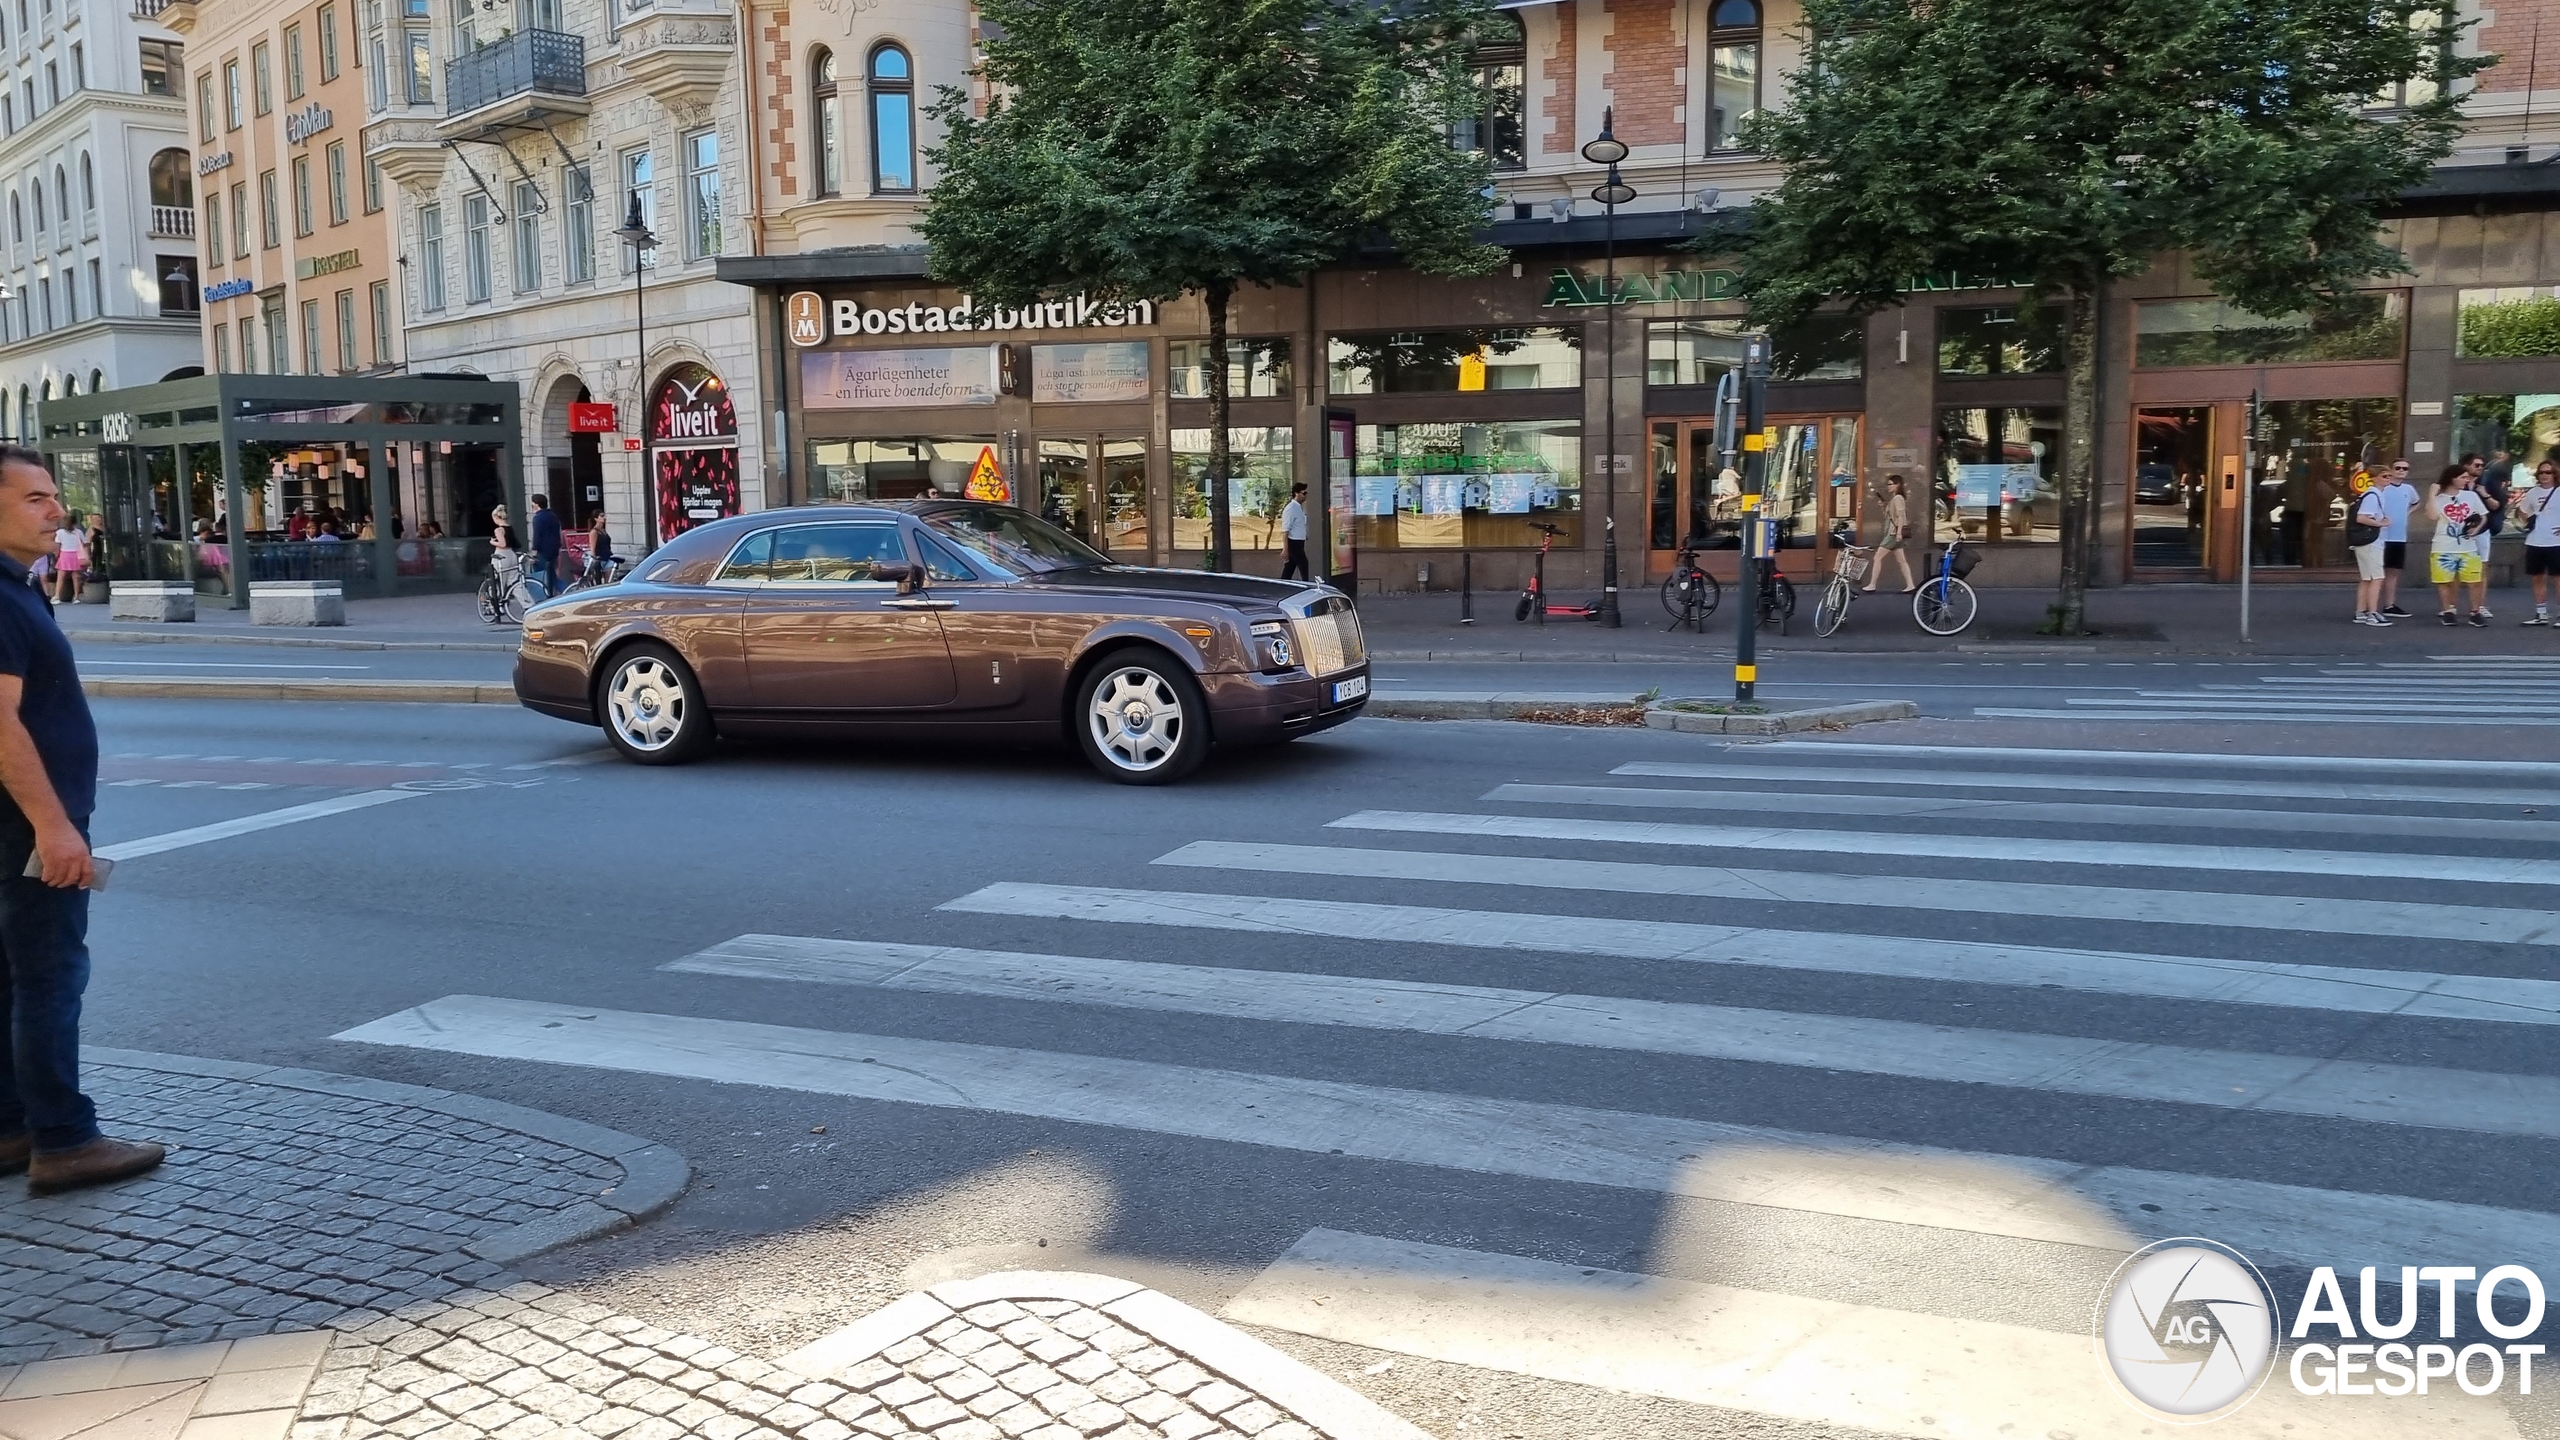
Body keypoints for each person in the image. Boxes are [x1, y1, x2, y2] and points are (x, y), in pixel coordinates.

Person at [0, 448, 161, 1195]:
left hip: (15, 823)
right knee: (50, 978)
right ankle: (64, 1139)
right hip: (25, 826)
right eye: (36, 498)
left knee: (11, 977)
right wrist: (54, 826)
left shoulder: (16, 587)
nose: (56, 510)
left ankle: (12, 1127)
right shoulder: (1, 598)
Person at [2429, 464, 2493, 627]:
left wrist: (2476, 529)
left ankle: (2475, 611)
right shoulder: (2439, 498)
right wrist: (2431, 494)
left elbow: (2484, 516)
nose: (2466, 480)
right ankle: (2448, 610)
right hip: (2443, 545)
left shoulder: (2470, 496)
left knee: (2474, 580)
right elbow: (2431, 515)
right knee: (2444, 581)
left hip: (2468, 545)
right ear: (2453, 478)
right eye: (2463, 477)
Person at [2374, 459, 2420, 616]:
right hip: (2381, 536)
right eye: (2398, 468)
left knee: (2393, 572)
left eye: (2405, 468)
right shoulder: (2382, 489)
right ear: (2391, 469)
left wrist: (2407, 513)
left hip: (2399, 536)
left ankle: (2389, 605)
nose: (2401, 470)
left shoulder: (2409, 489)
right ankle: (2370, 607)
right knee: (2376, 573)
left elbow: (2416, 502)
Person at [2520, 459, 2560, 625]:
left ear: (2555, 474)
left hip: (2556, 542)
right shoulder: (2533, 493)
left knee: (2557, 578)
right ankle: (2541, 614)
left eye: (2548, 472)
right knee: (2537, 578)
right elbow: (2522, 510)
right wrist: (2528, 520)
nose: (2544, 475)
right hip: (2535, 540)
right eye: (2541, 472)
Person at [1863, 474, 1917, 593]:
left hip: (1893, 534)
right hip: (1894, 533)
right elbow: (1890, 517)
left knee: (1877, 557)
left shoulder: (1897, 498)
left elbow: (1900, 516)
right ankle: (1910, 584)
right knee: (1901, 561)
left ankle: (1872, 584)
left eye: (1890, 484)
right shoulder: (1895, 498)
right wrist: (1884, 507)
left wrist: (1898, 533)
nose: (1888, 486)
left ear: (1897, 485)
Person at [2350, 482, 2392, 625]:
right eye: (2385, 476)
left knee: (2367, 578)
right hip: (2371, 542)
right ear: (2376, 478)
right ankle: (2372, 614)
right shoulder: (2373, 496)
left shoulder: (2369, 494)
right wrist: (2381, 523)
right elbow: (2361, 518)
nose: (2388, 479)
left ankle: (2361, 612)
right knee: (2377, 577)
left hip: (2366, 542)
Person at [529, 493, 563, 597]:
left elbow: (537, 536)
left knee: (541, 577)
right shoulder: (553, 516)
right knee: (551, 575)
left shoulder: (538, 518)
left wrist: (533, 553)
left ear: (536, 504)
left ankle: (548, 596)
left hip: (542, 552)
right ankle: (563, 591)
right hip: (553, 551)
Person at [1278, 483, 1310, 581]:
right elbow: (1285, 529)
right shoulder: (1291, 508)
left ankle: (1283, 584)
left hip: (1299, 542)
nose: (1305, 495)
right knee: (1303, 564)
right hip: (1294, 542)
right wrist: (1286, 549)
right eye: (1303, 493)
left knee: (1290, 567)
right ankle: (1307, 586)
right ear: (1296, 493)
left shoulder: (1299, 507)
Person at [48, 515, 82, 605]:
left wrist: (56, 556)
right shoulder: (78, 532)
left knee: (61, 577)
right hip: (76, 554)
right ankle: (76, 597)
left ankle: (57, 596)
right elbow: (85, 543)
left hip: (64, 554)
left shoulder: (60, 532)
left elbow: (57, 545)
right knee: (76, 577)